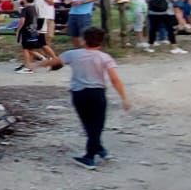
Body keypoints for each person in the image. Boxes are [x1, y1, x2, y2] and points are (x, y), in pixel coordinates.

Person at [45, 27, 131, 169]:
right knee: (97, 124)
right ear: (101, 42)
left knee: (88, 124)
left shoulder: (72, 54)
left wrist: (35, 64)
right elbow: (115, 79)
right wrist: (124, 97)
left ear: (83, 40)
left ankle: (90, 156)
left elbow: (53, 62)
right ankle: (99, 149)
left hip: (79, 94)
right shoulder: (104, 57)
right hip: (97, 93)